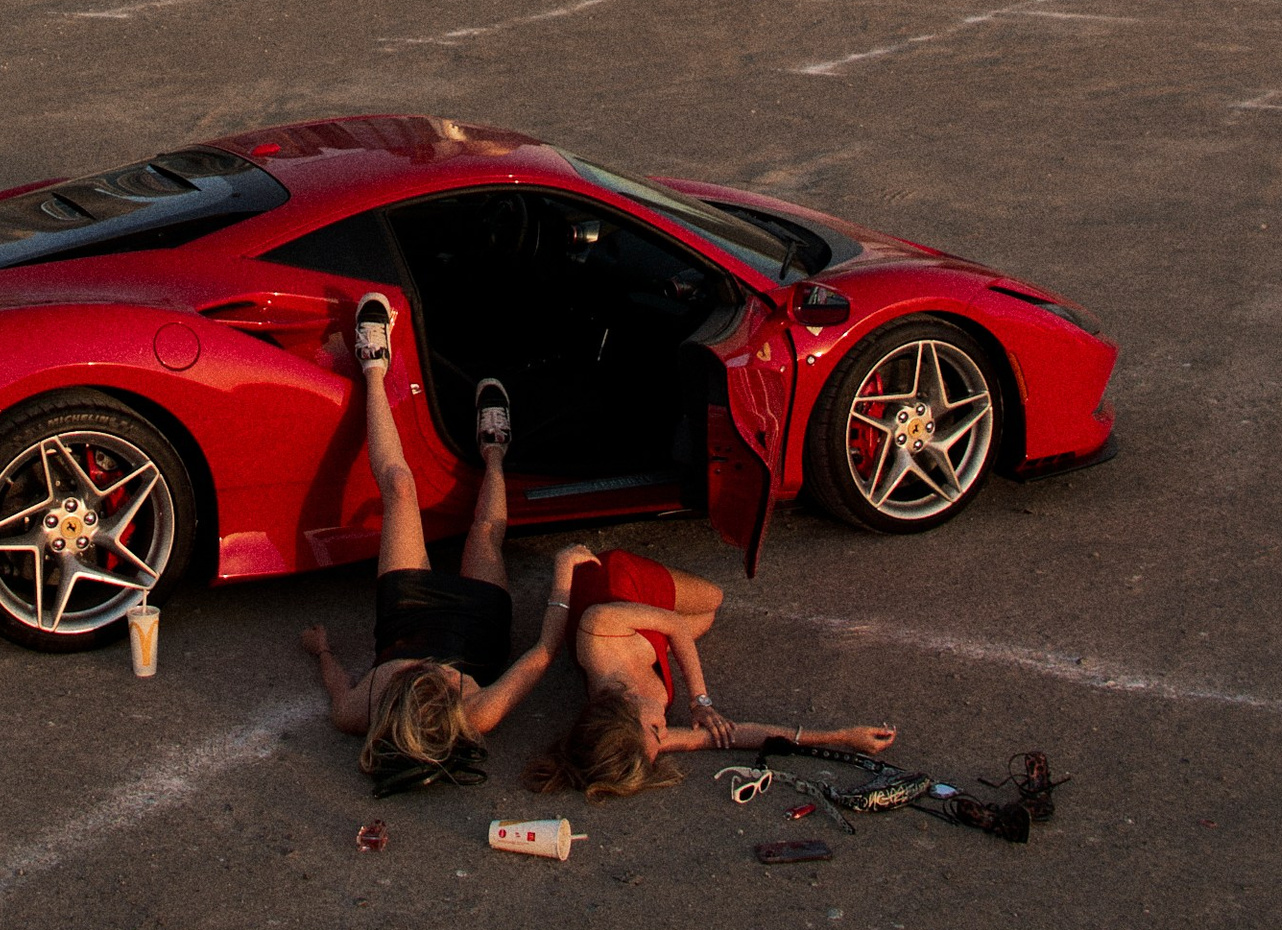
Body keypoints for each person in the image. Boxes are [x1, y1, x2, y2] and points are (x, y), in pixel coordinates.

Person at [299, 297, 589, 792]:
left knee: (400, 488)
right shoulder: (480, 713)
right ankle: (495, 451)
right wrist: (564, 583)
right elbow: (540, 653)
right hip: (478, 627)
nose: (426, 672)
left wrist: (321, 651)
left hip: (408, 612)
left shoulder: (361, 711)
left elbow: (338, 690)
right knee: (485, 533)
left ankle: (373, 369)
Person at [527, 547, 899, 802]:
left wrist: (700, 701)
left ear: (621, 710)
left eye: (657, 730)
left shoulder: (598, 631)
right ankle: (659, 644)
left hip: (615, 581)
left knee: (713, 600)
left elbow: (673, 624)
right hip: (644, 635)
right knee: (702, 623)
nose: (665, 728)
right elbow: (736, 737)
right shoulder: (641, 735)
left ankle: (651, 599)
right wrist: (840, 737)